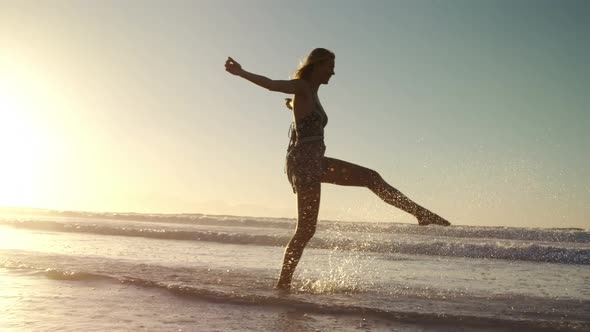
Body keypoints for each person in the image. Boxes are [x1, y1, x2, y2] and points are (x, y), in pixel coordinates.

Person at [224, 48, 450, 290]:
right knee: (307, 228)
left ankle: (420, 214)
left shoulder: (310, 93)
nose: (333, 71)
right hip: (305, 163)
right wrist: (241, 72)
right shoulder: (301, 86)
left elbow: (300, 113)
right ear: (317, 65)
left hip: (314, 161)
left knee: (367, 180)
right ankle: (283, 283)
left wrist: (292, 107)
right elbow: (270, 84)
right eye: (329, 66)